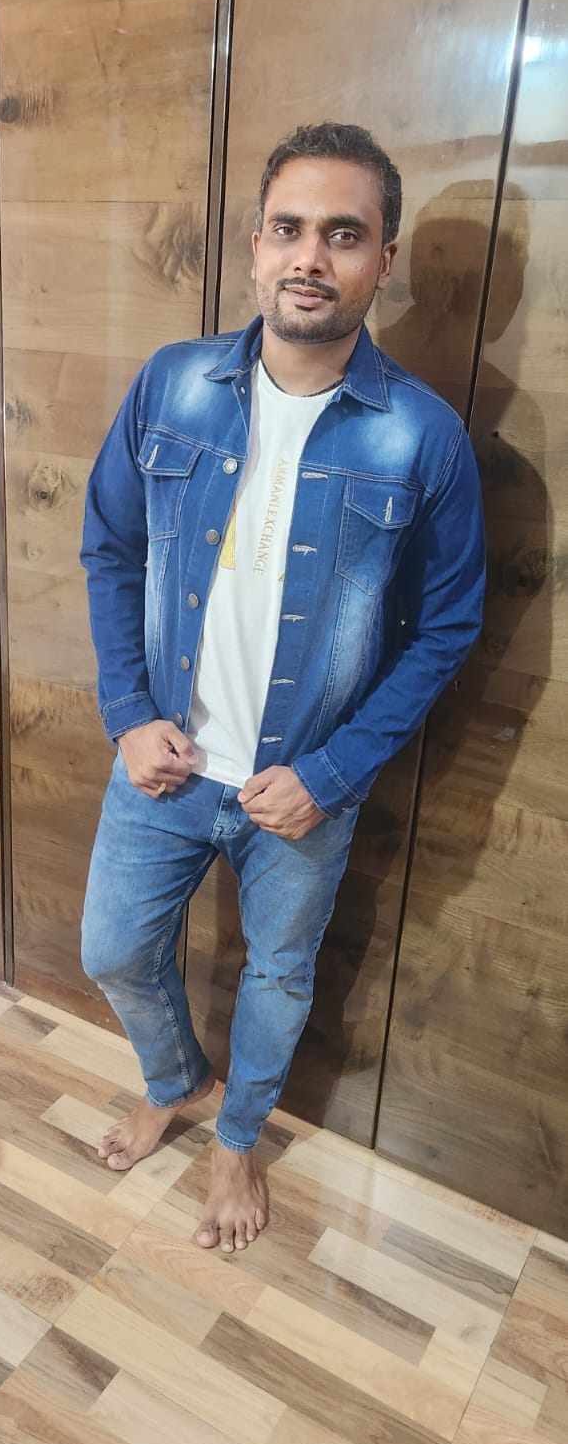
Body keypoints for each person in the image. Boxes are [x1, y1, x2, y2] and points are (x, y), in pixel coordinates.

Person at [80, 122, 485, 1254]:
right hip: (164, 765)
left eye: (342, 234)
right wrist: (127, 713)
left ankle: (235, 1140)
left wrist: (334, 771)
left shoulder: (423, 437)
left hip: (301, 787)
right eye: (288, 228)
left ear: (382, 261)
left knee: (278, 975)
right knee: (112, 950)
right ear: (256, 244)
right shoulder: (170, 383)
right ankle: (175, 1082)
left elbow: (447, 627)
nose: (310, 256)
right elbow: (110, 550)